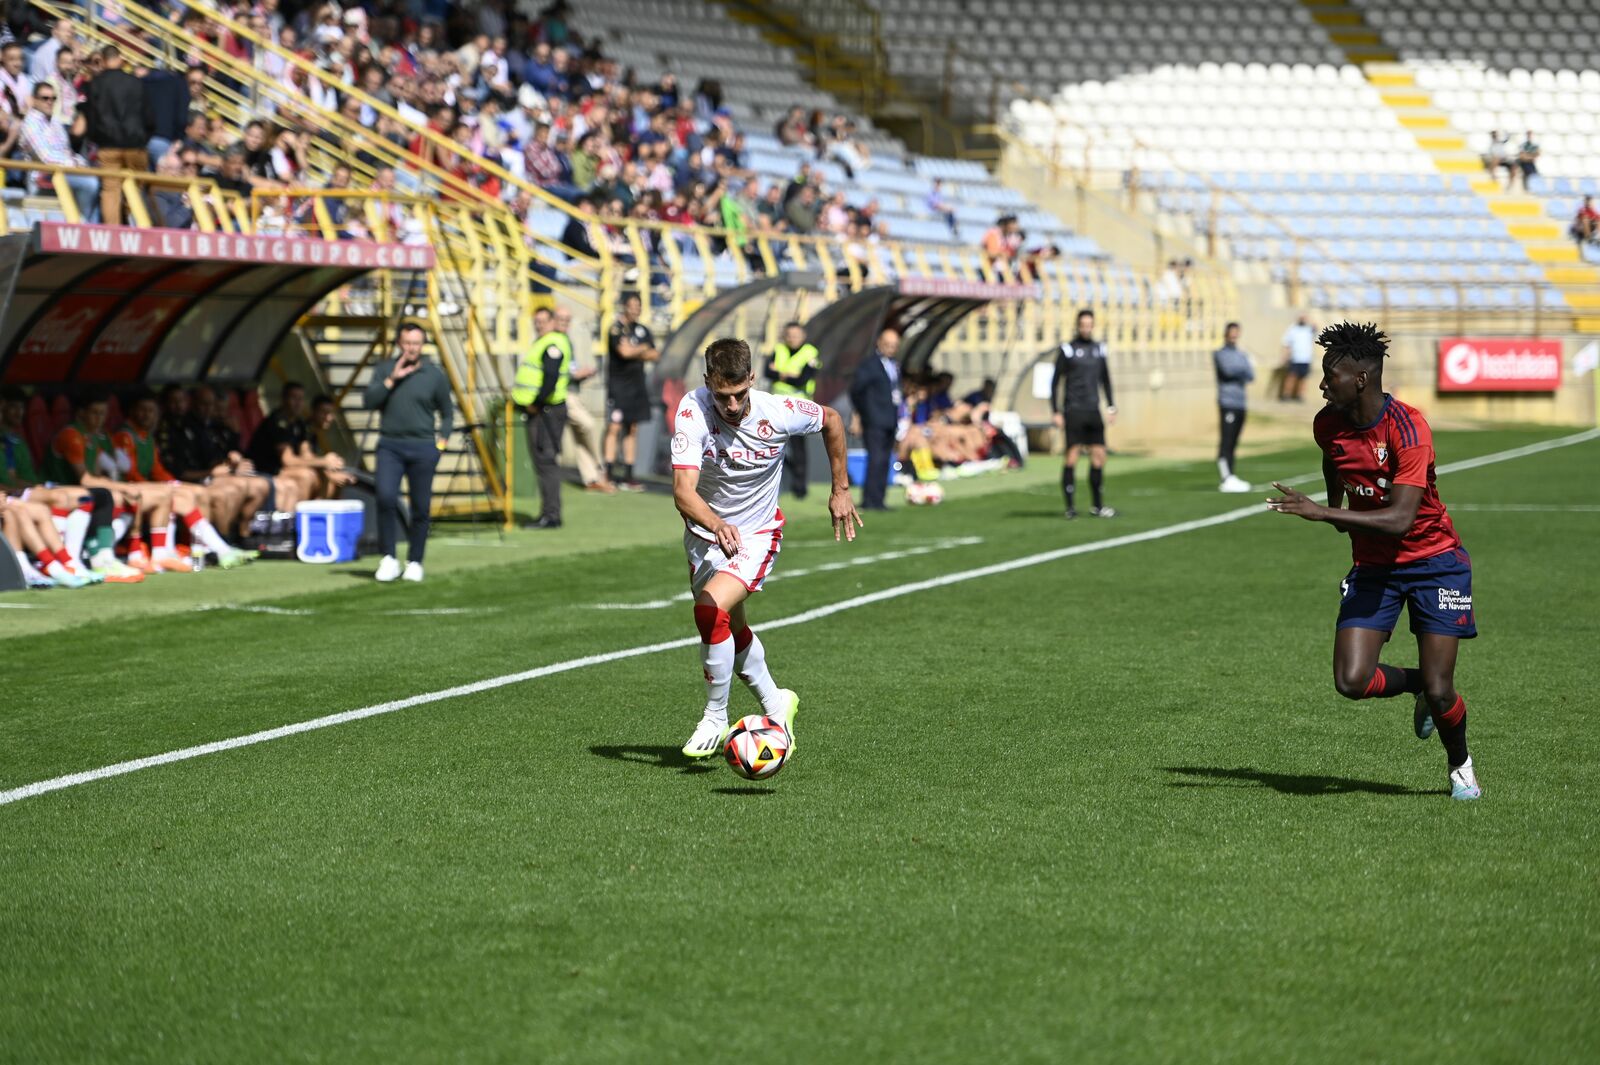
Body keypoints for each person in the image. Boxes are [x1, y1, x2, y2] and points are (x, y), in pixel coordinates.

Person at [1266, 322, 1481, 802]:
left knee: (1444, 691)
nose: (1322, 385)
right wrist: (1337, 503)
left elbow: (1403, 519)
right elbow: (1334, 461)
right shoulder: (1328, 424)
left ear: (1360, 379)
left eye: (1330, 376)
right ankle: (1418, 686)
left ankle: (1460, 765)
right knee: (1350, 680)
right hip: (1374, 565)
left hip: (1435, 562)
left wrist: (1323, 513)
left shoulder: (1408, 427)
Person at [671, 337, 861, 757]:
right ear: (708, 383)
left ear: (752, 380)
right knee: (729, 628)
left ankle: (716, 717)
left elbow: (831, 419)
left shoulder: (780, 411)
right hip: (706, 535)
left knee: (709, 609)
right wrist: (716, 524)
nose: (733, 405)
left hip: (756, 535)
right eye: (723, 396)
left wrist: (840, 488)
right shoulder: (693, 410)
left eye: (740, 394)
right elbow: (683, 492)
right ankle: (777, 703)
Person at [364, 323, 454, 583]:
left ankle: (415, 560)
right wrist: (393, 378)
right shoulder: (384, 369)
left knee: (421, 507)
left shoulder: (434, 374)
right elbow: (369, 401)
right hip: (390, 446)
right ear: (399, 343)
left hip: (423, 447)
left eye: (417, 343)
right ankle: (388, 558)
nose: (412, 348)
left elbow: (447, 412)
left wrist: (441, 443)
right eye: (407, 343)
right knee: (385, 497)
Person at [1050, 309, 1117, 519]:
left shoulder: (1099, 349)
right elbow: (1054, 382)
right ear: (1078, 326)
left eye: (1089, 325)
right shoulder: (1068, 350)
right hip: (1073, 410)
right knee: (1072, 456)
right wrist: (1056, 410)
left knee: (1099, 456)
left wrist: (1111, 406)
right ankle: (1070, 507)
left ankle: (1097, 505)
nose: (1086, 328)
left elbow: (1105, 379)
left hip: (1092, 410)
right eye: (1083, 325)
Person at [512, 306, 572, 529]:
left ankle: (551, 515)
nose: (540, 325)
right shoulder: (545, 342)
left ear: (553, 322)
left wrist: (536, 404)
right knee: (544, 461)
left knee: (546, 461)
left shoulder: (553, 343)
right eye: (536, 321)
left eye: (544, 320)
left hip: (547, 411)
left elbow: (550, 376)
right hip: (544, 410)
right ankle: (548, 512)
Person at [83, 47, 152, 223]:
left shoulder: (95, 84)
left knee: (110, 190)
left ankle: (114, 234)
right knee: (135, 189)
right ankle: (132, 225)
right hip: (136, 145)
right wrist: (144, 138)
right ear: (120, 59)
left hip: (108, 146)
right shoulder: (137, 83)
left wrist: (97, 138)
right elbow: (149, 117)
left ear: (103, 61)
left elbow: (91, 117)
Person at [602, 294, 659, 491]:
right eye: (632, 305)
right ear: (624, 306)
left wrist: (636, 348)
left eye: (638, 306)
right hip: (618, 387)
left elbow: (654, 354)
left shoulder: (643, 330)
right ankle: (608, 473)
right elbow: (623, 352)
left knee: (632, 428)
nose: (635, 309)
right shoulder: (616, 328)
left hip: (637, 386)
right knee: (614, 427)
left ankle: (628, 475)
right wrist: (642, 349)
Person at [849, 327, 902, 511]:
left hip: (890, 419)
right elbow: (856, 390)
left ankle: (879, 499)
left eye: (894, 345)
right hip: (874, 419)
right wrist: (862, 414)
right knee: (876, 459)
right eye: (887, 344)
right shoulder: (869, 364)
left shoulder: (894, 364)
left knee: (885, 459)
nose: (891, 348)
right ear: (879, 343)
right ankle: (870, 500)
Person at [766, 321, 820, 498]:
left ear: (803, 336)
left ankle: (799, 488)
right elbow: (767, 372)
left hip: (799, 408)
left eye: (796, 335)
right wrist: (789, 374)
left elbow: (802, 379)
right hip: (777, 405)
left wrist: (780, 373)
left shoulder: (810, 352)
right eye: (789, 335)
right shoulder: (779, 349)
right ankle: (769, 486)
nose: (792, 339)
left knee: (798, 449)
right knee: (772, 445)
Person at [1213, 321, 1254, 493]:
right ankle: (1225, 477)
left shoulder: (1241, 354)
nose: (1234, 335)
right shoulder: (1220, 353)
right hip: (1227, 402)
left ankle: (1231, 474)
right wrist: (1242, 369)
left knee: (1235, 442)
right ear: (1226, 334)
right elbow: (1228, 371)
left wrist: (1241, 369)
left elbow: (1250, 375)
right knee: (1227, 440)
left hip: (1240, 402)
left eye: (1237, 332)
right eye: (1232, 332)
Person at [1279, 312, 1316, 401]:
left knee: (1303, 378)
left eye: (1304, 318)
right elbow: (1286, 343)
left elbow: (1317, 332)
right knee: (1291, 377)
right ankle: (1286, 395)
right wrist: (1285, 356)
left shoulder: (1310, 329)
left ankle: (1300, 396)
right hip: (1294, 357)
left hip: (1306, 358)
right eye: (1301, 318)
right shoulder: (1292, 329)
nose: (1303, 319)